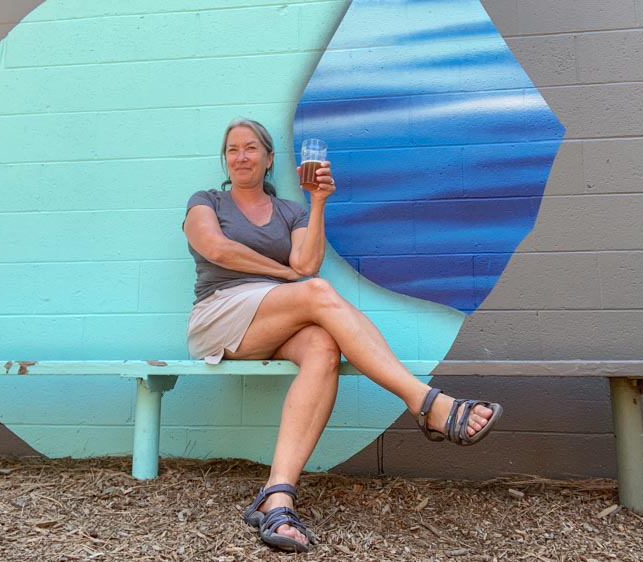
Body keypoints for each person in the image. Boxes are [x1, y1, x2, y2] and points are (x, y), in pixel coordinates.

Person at [182, 117, 502, 553]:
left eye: (251, 148)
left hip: (273, 317)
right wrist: (284, 273)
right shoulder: (207, 201)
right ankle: (426, 403)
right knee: (315, 294)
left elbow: (308, 263)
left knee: (322, 345)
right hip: (220, 312)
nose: (241, 156)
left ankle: (277, 496)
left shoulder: (290, 211)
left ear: (269, 158)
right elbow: (217, 249)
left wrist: (316, 203)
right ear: (226, 158)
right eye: (233, 149)